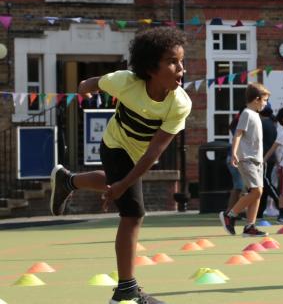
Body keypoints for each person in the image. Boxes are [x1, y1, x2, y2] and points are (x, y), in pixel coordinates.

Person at [49, 26, 190, 304]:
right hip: (114, 145)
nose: (181, 68)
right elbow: (86, 84)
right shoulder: (125, 81)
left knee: (120, 186)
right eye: (173, 61)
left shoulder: (180, 104)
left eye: (181, 61)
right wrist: (84, 92)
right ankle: (126, 289)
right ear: (151, 67)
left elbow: (153, 153)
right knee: (133, 213)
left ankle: (69, 181)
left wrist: (123, 184)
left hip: (139, 155)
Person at [219, 82, 270, 237]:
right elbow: (238, 134)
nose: (266, 104)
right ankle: (230, 214)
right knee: (257, 191)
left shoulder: (255, 115)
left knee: (257, 193)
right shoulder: (247, 113)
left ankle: (250, 227)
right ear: (256, 99)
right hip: (246, 159)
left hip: (256, 161)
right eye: (264, 100)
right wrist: (234, 153)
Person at [258, 104, 280, 218]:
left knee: (265, 182)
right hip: (269, 157)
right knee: (263, 185)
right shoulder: (272, 125)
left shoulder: (261, 124)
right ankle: (260, 211)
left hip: (264, 157)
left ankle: (280, 202)